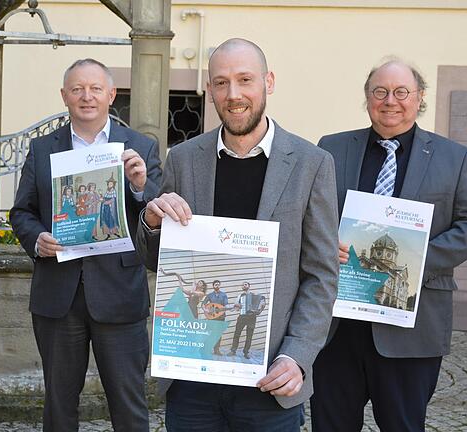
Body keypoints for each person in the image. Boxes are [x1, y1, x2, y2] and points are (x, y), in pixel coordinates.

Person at [135, 38, 339, 431]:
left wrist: (296, 357)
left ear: (269, 82)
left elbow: (321, 276)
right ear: (210, 90)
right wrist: (152, 222)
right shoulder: (183, 159)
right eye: (221, 83)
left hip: (269, 379)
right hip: (193, 376)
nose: (234, 94)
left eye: (245, 79)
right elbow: (153, 259)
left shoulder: (312, 164)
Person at [311, 59, 467, 432]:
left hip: (411, 328)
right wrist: (323, 242)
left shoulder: (455, 157)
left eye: (401, 92)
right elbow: (309, 215)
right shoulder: (330, 149)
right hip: (337, 325)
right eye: (380, 91)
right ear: (367, 98)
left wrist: (415, 260)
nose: (390, 101)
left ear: (420, 98)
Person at [10, 58, 162, 431]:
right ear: (64, 96)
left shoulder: (141, 146)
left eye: (95, 89)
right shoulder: (43, 148)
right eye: (77, 89)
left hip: (119, 295)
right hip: (58, 296)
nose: (86, 96)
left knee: (129, 406)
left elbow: (161, 207)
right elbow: (21, 212)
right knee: (59, 407)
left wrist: (141, 185)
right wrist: (36, 240)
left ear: (112, 94)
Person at [228, 281, 266, 359]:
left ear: (249, 286)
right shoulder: (240, 296)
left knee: (249, 336)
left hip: (251, 318)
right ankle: (233, 350)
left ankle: (246, 352)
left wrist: (261, 307)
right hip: (242, 317)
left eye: (245, 284)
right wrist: (236, 306)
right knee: (237, 334)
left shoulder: (255, 296)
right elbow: (236, 308)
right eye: (242, 285)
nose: (244, 286)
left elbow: (262, 303)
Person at [201, 279, 228, 355]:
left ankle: (217, 350)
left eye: (218, 284)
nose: (217, 286)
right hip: (212, 317)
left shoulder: (224, 295)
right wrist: (206, 310)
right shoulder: (210, 295)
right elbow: (203, 304)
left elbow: (226, 305)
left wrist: (229, 307)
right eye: (216, 284)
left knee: (218, 334)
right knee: (211, 333)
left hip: (221, 317)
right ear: (213, 286)